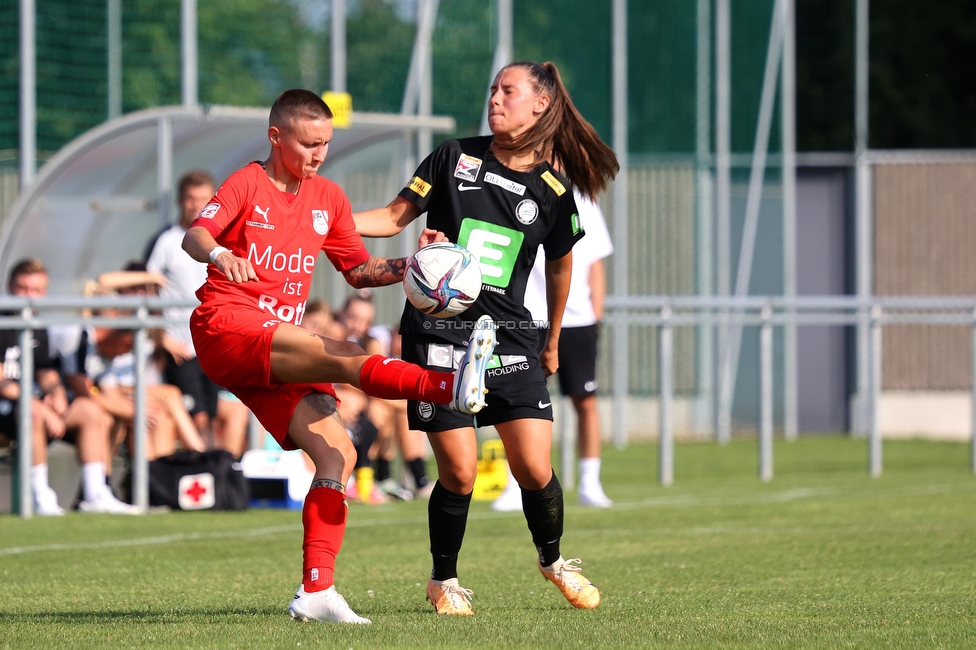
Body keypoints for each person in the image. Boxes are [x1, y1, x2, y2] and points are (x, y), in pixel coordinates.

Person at [180, 88, 496, 625]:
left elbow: (358, 272)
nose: (318, 154)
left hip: (275, 341)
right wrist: (220, 253)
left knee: (338, 458)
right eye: (308, 144)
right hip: (227, 324)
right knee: (345, 353)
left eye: (326, 143)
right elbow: (196, 234)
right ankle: (447, 386)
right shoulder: (247, 182)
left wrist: (411, 264)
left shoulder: (328, 197)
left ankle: (316, 592)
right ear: (276, 137)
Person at [354, 61, 619, 615]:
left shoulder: (551, 189)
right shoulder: (452, 157)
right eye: (492, 89)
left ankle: (553, 561)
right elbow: (392, 215)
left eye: (508, 90)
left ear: (540, 104)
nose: (495, 98)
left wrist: (548, 339)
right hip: (437, 333)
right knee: (459, 471)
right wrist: (323, 218)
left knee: (534, 469)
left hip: (511, 339)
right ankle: (443, 581)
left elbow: (561, 267)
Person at [493, 189, 615, 510]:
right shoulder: (517, 191)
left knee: (585, 400)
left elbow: (596, 261)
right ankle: (512, 485)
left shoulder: (584, 202)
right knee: (514, 404)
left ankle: (590, 482)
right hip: (526, 318)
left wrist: (595, 316)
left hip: (577, 322)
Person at [1, 259, 126, 515]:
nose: (28, 296)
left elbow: (45, 371)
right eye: (22, 288)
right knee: (32, 413)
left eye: (35, 290)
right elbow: (2, 382)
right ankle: (39, 496)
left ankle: (95, 494)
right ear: (9, 287)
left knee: (89, 408)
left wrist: (55, 392)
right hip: (9, 412)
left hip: (37, 409)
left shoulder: (38, 325)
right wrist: (38, 405)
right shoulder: (3, 322)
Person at [145, 170, 252, 454]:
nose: (196, 205)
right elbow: (147, 292)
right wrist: (161, 338)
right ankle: (205, 476)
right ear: (181, 202)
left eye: (203, 199)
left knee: (219, 414)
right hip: (183, 349)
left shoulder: (223, 240)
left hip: (215, 344)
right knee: (198, 416)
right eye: (191, 199)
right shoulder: (167, 241)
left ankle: (220, 476)